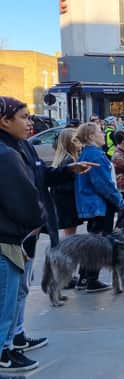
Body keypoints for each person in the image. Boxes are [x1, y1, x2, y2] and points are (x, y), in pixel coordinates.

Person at [0, 98, 44, 374]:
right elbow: (25, 200)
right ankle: (4, 352)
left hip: (10, 237)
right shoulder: (6, 155)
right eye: (24, 117)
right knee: (7, 299)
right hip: (8, 240)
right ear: (5, 121)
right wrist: (38, 222)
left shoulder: (14, 149)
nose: (30, 123)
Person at [75, 122, 124, 292]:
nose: (103, 134)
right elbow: (103, 183)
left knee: (93, 241)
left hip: (94, 204)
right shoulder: (95, 155)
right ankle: (91, 279)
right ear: (90, 136)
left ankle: (84, 278)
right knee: (99, 243)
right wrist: (119, 200)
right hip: (100, 205)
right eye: (99, 132)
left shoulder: (88, 153)